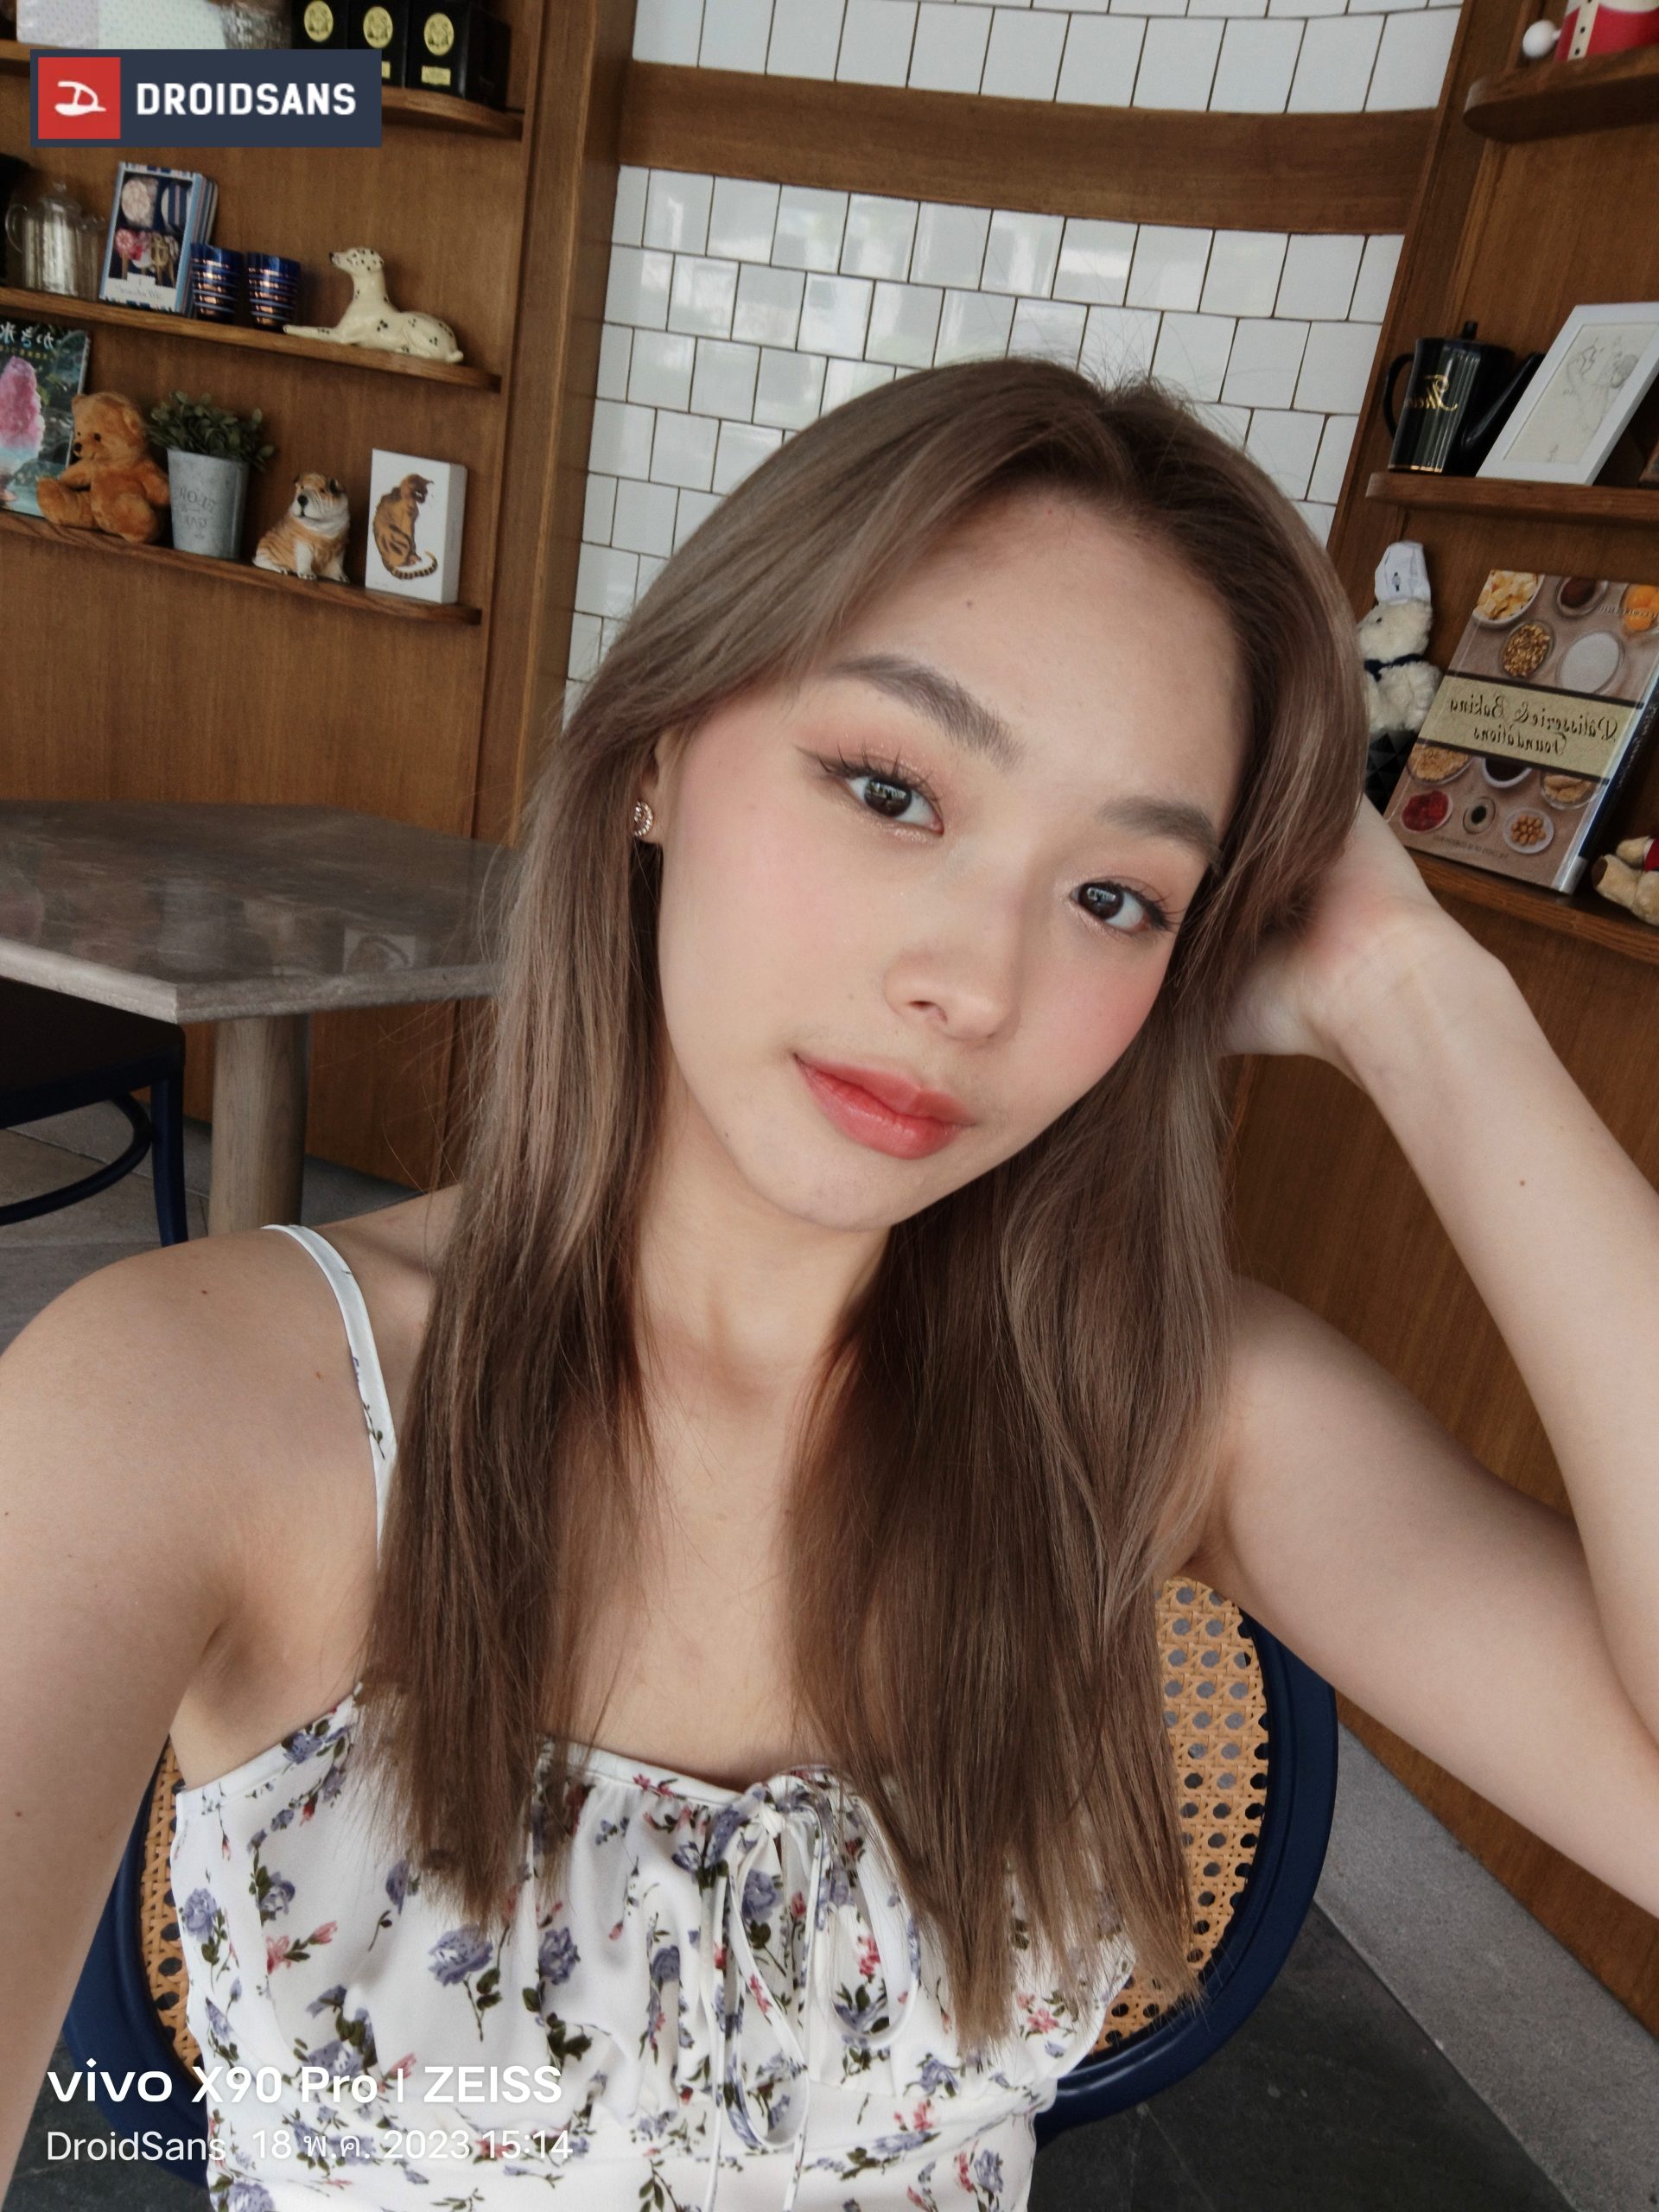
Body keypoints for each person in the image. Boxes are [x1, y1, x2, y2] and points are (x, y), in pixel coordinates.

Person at [3, 358, 1656, 2212]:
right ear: (654, 754)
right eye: (891, 787)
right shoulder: (191, 1406)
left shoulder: (1158, 1407)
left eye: (1115, 896)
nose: (977, 983)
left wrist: (1425, 1002)